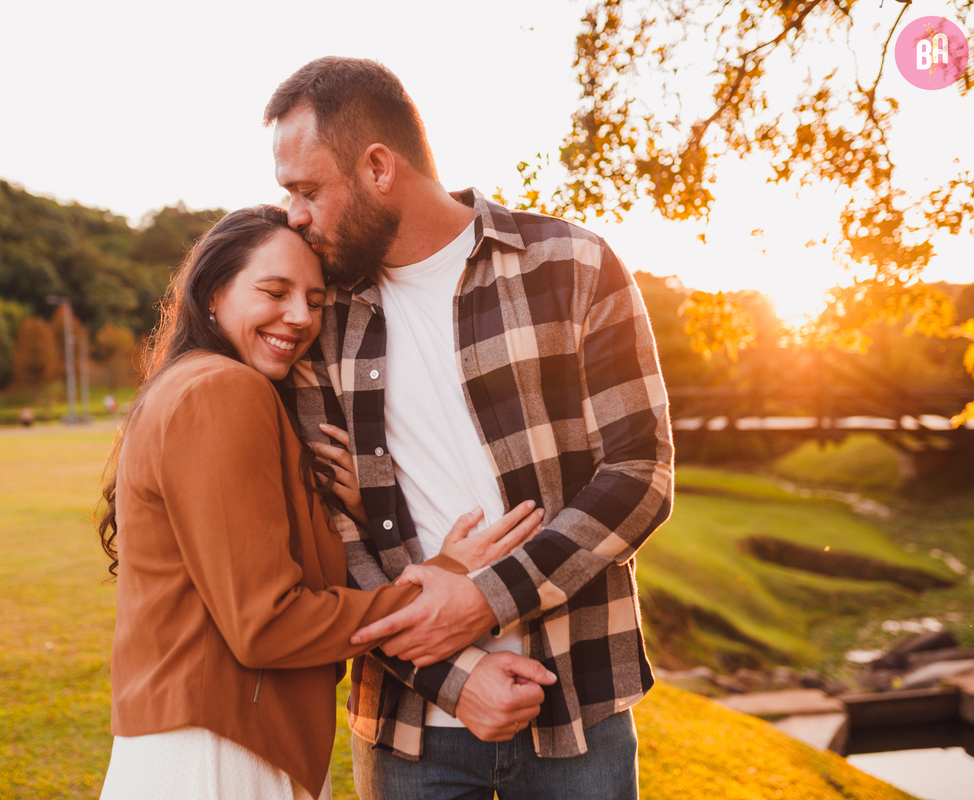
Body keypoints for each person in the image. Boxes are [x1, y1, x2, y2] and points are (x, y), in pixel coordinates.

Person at [266, 58, 674, 800]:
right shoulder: (317, 314)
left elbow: (641, 474)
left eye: (307, 190)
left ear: (378, 167)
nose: (294, 214)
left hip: (577, 704)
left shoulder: (571, 263)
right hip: (409, 727)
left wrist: (488, 597)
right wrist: (455, 679)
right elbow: (333, 530)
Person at [94, 205, 555, 800]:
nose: (299, 317)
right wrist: (443, 576)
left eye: (314, 300)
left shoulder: (186, 383)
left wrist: (359, 514)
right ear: (212, 294)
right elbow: (267, 623)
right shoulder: (224, 390)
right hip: (218, 750)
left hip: (199, 737)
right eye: (274, 291)